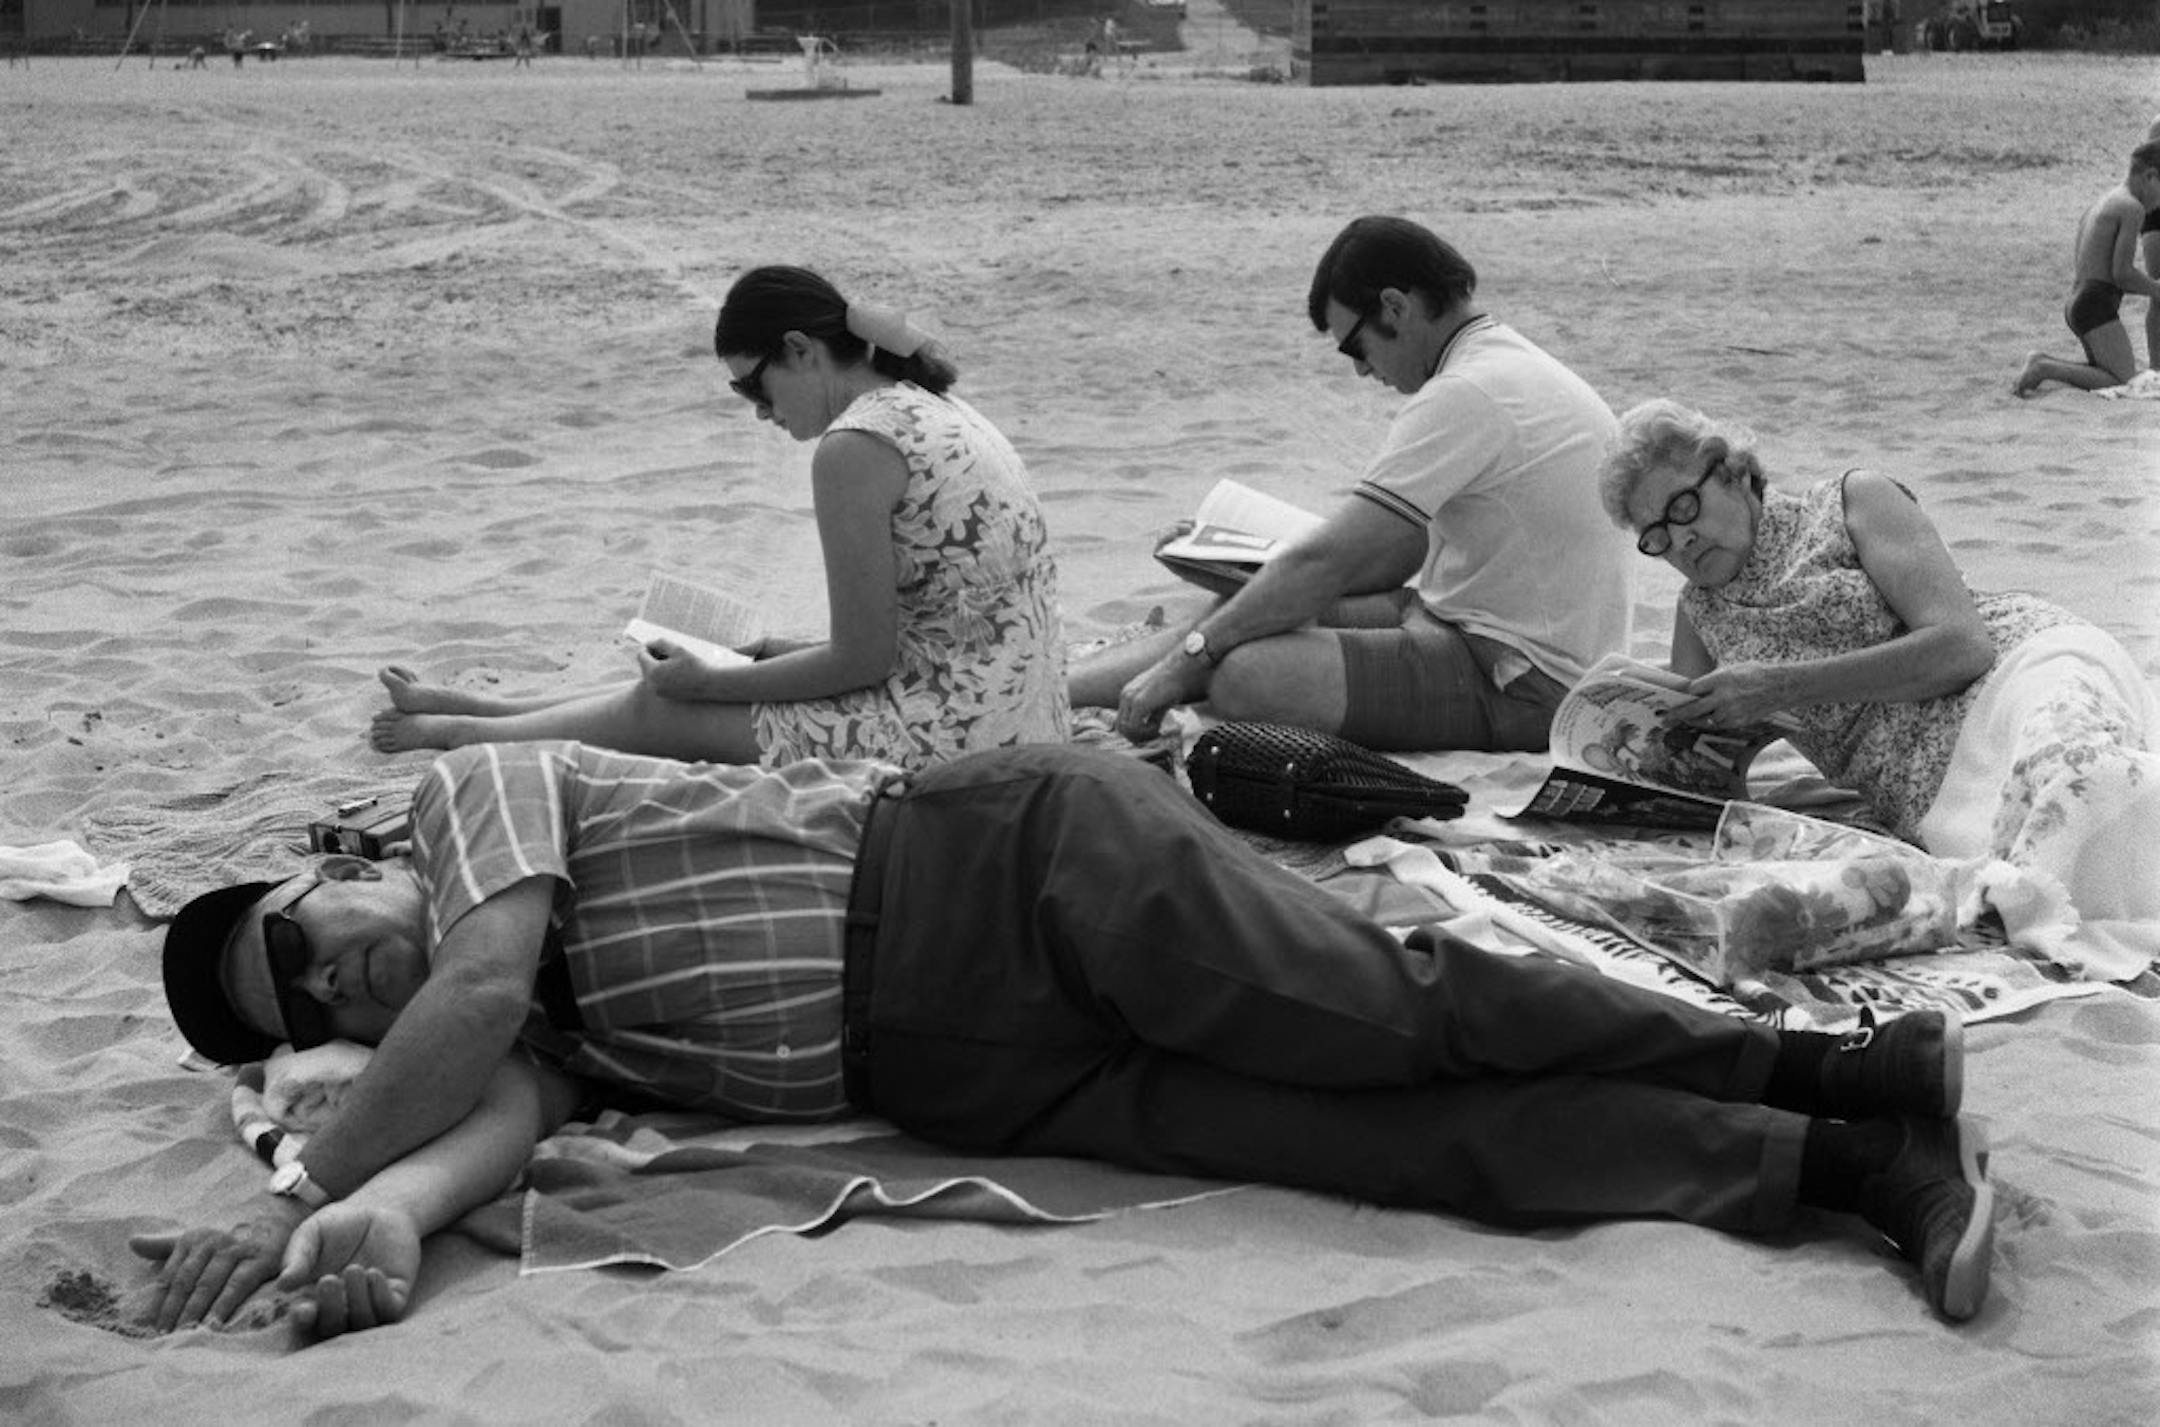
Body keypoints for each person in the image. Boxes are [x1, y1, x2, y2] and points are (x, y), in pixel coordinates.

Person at [135, 738, 1994, 1338]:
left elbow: (456, 1003)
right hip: (991, 1070)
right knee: (1392, 1143)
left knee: (1388, 1013)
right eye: (299, 1016)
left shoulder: (475, 805)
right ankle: (1839, 1166)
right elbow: (485, 1108)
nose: (337, 986)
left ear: (337, 871)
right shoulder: (531, 1029)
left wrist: (307, 1162)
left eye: (308, 946)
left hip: (1003, 869)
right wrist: (378, 1216)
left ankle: (1832, 1063)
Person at [369, 266, 1068, 771]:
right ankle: (487, 710)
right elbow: (905, 636)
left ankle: (467, 733)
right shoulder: (929, 402)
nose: (761, 411)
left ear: (801, 350)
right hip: (1008, 705)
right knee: (730, 658)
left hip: (963, 736)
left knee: (667, 707)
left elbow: (862, 659)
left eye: (754, 387)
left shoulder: (855, 447)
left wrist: (706, 685)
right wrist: (743, 662)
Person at [1598, 399, 2160, 965]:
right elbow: (1682, 771)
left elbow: (1964, 646)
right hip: (1927, 793)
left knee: (2082, 771)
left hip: (2013, 677)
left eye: (1684, 507)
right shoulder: (1699, 613)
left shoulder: (1849, 504)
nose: (1681, 541)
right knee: (2037, 864)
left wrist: (1779, 687)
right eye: (1657, 537)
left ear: (1734, 472)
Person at [1070, 216, 1631, 753]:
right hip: (1472, 628)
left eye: (1355, 347)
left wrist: (1190, 661)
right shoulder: (1498, 364)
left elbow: (1331, 562)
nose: (1362, 370)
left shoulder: (1467, 391)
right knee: (1233, 615)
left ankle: (1118, 681)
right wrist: (1242, 572)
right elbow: (1393, 554)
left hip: (1526, 680)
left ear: (1395, 306)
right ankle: (1055, 690)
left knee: (1246, 675)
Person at [2014, 139, 2160, 396]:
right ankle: (2043, 367)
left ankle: (2043, 363)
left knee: (2107, 371)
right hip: (2096, 303)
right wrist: (2155, 289)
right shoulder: (2132, 208)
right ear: (2150, 176)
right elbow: (2122, 274)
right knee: (2121, 380)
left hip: (2079, 299)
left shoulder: (2106, 200)